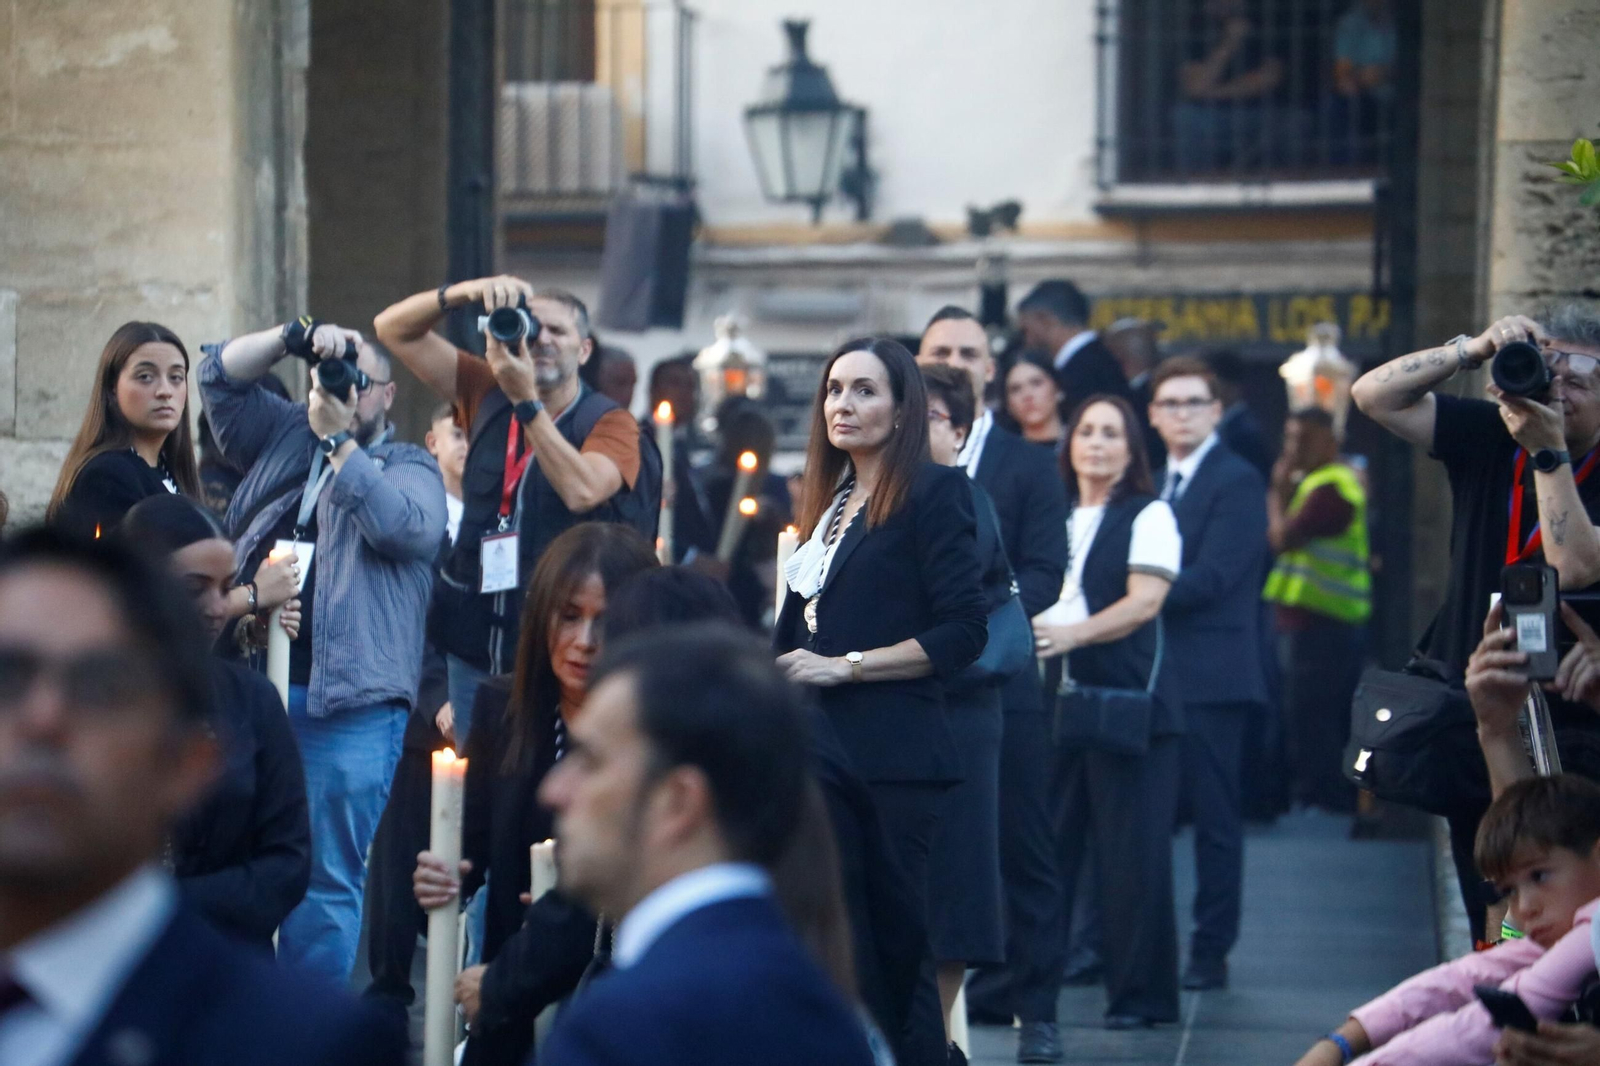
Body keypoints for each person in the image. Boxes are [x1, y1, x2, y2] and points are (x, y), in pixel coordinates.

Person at [0, 526, 403, 1065]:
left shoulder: (304, 1042)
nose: (42, 720)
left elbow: (287, 860)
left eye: (97, 688)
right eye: (8, 678)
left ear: (186, 765)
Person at [201, 318, 447, 982]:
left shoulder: (411, 465)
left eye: (359, 382)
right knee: (229, 867)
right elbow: (217, 377)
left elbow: (408, 528)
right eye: (334, 377)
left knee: (323, 880)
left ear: (388, 396)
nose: (344, 391)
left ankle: (301, 1041)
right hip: (250, 687)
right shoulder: (285, 433)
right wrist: (295, 338)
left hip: (349, 708)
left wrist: (340, 441)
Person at [1351, 308, 1600, 941]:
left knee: (1566, 910)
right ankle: (1499, 1016)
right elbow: (1373, 395)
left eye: (1581, 378)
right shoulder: (1492, 434)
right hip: (1480, 708)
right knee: (1491, 896)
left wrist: (1547, 454)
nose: (1560, 390)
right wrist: (1472, 348)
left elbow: (1572, 565)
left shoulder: (1543, 449)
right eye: (1551, 369)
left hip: (1575, 719)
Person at [775, 336, 987, 1066]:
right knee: (836, 945)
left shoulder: (935, 491)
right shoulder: (828, 506)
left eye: (865, 390)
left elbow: (963, 632)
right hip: (819, 758)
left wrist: (846, 668)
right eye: (835, 389)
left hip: (896, 758)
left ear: (903, 411)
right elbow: (792, 635)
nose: (844, 404)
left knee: (896, 951)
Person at [535, 623, 877, 1066]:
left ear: (677, 802)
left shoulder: (624, 1027)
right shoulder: (819, 1000)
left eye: (592, 761)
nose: (555, 790)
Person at [411, 523, 657, 1066]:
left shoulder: (654, 734)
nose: (585, 642)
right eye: (569, 616)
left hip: (609, 989)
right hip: (510, 983)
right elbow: (468, 842)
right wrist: (443, 871)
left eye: (606, 622)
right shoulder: (505, 709)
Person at [374, 277, 654, 733]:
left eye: (557, 332)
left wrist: (526, 402)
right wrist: (464, 294)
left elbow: (582, 489)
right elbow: (393, 330)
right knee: (477, 787)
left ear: (583, 351)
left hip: (556, 649)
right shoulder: (485, 390)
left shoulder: (610, 420)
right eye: (530, 326)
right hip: (474, 644)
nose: (541, 339)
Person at [918, 307, 1069, 1061]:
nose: (954, 359)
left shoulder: (1027, 461)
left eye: (967, 351)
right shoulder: (887, 462)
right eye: (939, 350)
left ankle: (1036, 1011)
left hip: (999, 682)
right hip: (914, 690)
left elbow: (1044, 568)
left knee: (1022, 848)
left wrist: (970, 621)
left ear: (989, 366)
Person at [1031, 395, 1183, 1029]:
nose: (1095, 443)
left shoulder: (1149, 514)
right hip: (1048, 701)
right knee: (1044, 853)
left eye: (1110, 434)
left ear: (1130, 449)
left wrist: (1072, 635)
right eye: (1086, 431)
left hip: (1123, 706)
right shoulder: (1051, 515)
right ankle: (1028, 993)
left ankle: (1142, 999)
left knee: (1132, 860)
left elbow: (1144, 602)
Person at [1291, 774, 1600, 1066]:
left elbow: (1479, 1028)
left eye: (1540, 876)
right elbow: (1461, 978)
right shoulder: (1568, 929)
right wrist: (1339, 1043)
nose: (1525, 907)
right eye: (1510, 892)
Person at [116, 495, 310, 952]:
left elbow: (289, 859)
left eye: (225, 589)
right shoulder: (80, 704)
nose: (215, 608)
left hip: (227, 963)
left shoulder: (252, 702)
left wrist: (168, 906)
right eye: (192, 589)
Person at [1148, 356, 1269, 992]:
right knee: (1150, 817)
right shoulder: (1155, 480)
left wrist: (1133, 590)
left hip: (1215, 677)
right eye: (1170, 404)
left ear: (1216, 411)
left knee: (1215, 823)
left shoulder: (1236, 479)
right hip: (1157, 673)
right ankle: (1150, 946)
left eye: (1194, 403)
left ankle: (1210, 949)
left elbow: (1216, 578)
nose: (1182, 414)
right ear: (1153, 414)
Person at [918, 362, 1009, 1051]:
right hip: (904, 712)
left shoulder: (959, 498)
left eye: (930, 418)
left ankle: (938, 1044)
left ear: (961, 431)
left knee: (949, 894)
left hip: (956, 711)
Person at [1265, 408, 1370, 814]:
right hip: (1313, 617)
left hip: (1328, 620)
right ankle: (1319, 791)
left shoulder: (1332, 488)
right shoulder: (1319, 482)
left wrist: (1275, 493)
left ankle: (1326, 794)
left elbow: (1282, 538)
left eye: (1303, 439)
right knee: (1311, 708)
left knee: (1317, 711)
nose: (1293, 448)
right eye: (1289, 438)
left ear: (1330, 441)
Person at [48, 321, 202, 538]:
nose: (165, 391)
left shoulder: (171, 470)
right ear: (112, 388)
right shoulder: (107, 475)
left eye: (176, 377)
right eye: (145, 377)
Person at [1172, 0, 1305, 173]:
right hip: (1209, 115)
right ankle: (1196, 190)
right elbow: (1195, 85)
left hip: (1263, 112)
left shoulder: (1268, 22)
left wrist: (1212, 92)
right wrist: (1230, 43)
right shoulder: (1195, 28)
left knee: (1297, 121)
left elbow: (1269, 78)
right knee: (1185, 117)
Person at [1016, 280, 1131, 416]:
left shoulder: (1085, 371)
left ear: (1045, 320)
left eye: (1026, 330)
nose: (1026, 341)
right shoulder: (1100, 359)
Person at [643, 357, 717, 563]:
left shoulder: (684, 442)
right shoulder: (641, 440)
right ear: (653, 391)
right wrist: (690, 558)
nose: (685, 393)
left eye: (690, 386)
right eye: (675, 383)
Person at [1332, 0, 1396, 163]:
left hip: (1399, 97)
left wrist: (1386, 73)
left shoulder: (1402, 21)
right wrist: (1362, 78)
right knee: (1342, 107)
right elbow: (1342, 75)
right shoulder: (1351, 23)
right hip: (1365, 97)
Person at [1002, 351, 1069, 448]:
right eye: (1016, 389)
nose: (1027, 395)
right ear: (1008, 403)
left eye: (1036, 383)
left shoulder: (1082, 444)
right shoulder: (1002, 456)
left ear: (1057, 388)